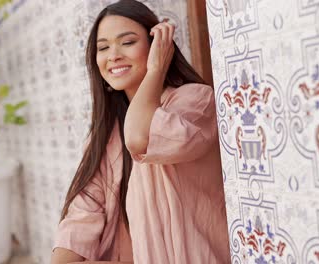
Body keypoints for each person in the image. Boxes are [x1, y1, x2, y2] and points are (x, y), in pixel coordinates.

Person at [51, 0, 230, 263]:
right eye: (103, 47)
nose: (113, 55)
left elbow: (140, 139)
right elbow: (85, 209)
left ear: (156, 46)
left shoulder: (196, 102)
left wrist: (157, 69)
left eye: (128, 42)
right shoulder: (106, 133)